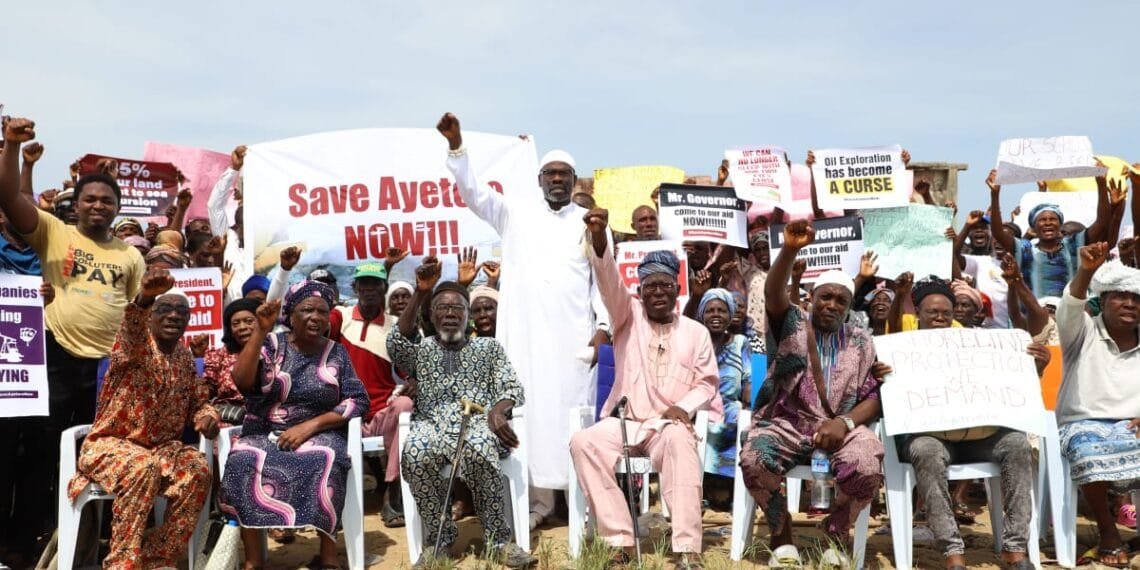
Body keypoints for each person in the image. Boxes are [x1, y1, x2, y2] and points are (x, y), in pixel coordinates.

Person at [437, 113, 608, 526]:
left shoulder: (590, 224)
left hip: (573, 339)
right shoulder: (514, 213)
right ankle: (538, 505)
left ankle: (582, 509)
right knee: (530, 420)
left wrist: (602, 327)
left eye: (564, 174)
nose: (556, 180)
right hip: (527, 340)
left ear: (574, 181)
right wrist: (457, 147)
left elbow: (602, 280)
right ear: (539, 180)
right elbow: (474, 194)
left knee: (572, 418)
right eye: (549, 173)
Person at [0, 117, 147, 560]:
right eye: (90, 199)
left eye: (107, 200)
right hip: (55, 359)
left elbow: (141, 313)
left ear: (116, 209)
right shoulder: (53, 232)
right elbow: (8, 195)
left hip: (108, 371)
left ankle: (82, 552)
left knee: (95, 461)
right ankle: (23, 549)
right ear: (77, 205)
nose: (98, 206)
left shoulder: (131, 255)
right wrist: (10, 146)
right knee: (40, 456)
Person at [571, 208, 721, 568]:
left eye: (665, 286)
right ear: (640, 291)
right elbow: (608, 278)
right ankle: (620, 540)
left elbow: (708, 382)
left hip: (667, 427)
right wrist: (600, 237)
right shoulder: (627, 315)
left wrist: (684, 407)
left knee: (682, 443)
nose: (658, 292)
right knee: (583, 442)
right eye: (650, 286)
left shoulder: (696, 332)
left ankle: (686, 550)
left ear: (677, 290)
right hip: (626, 420)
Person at [738, 220, 885, 565]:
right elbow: (773, 294)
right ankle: (781, 534)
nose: (832, 305)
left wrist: (845, 424)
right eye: (826, 297)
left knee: (866, 463)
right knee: (755, 458)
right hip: (786, 423)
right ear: (811, 299)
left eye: (841, 300)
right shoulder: (792, 323)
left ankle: (835, 534)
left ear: (849, 307)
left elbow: (874, 397)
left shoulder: (862, 340)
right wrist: (790, 248)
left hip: (840, 429)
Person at [389, 257, 535, 569]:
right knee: (414, 453)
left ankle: (499, 539)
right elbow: (397, 343)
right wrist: (420, 292)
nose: (451, 313)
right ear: (432, 314)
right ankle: (439, 539)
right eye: (443, 307)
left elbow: (512, 387)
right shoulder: (424, 349)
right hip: (431, 425)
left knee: (482, 448)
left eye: (459, 308)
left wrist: (498, 411)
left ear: (468, 315)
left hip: (478, 425)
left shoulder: (488, 349)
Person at [69, 267, 218, 568]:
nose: (174, 316)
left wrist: (208, 415)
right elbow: (130, 329)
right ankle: (122, 562)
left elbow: (198, 401)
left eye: (181, 312)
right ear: (150, 316)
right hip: (109, 446)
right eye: (164, 309)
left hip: (159, 450)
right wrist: (144, 297)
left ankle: (156, 557)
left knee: (198, 470)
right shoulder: (133, 348)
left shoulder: (185, 357)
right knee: (143, 468)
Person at [220, 280, 370, 570]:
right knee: (242, 460)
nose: (316, 317)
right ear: (291, 314)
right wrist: (260, 331)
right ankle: (253, 559)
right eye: (307, 310)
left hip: (320, 432)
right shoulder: (271, 345)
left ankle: (328, 555)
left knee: (325, 459)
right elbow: (241, 382)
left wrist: (310, 426)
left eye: (323, 312)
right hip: (265, 429)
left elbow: (357, 400)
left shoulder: (337, 353)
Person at [1055, 243, 1140, 567]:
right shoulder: (1082, 332)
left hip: (1131, 424)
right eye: (1120, 296)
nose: (1129, 303)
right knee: (1089, 449)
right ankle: (1108, 533)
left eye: (1136, 298)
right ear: (1103, 301)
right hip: (1083, 422)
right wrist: (1086, 270)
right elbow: (1070, 306)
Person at [327, 262, 414, 528]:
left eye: (375, 284)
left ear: (383, 288)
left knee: (405, 404)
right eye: (363, 284)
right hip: (345, 411)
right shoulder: (339, 317)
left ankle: (392, 491)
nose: (369, 290)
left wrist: (414, 381)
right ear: (354, 288)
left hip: (379, 412)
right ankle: (330, 506)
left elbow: (407, 369)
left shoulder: (395, 325)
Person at [989, 170, 1124, 298]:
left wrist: (1100, 183)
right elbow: (998, 233)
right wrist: (995, 195)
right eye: (1042, 220)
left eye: (1053, 219)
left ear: (1059, 225)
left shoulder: (1074, 245)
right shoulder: (1025, 249)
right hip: (1033, 319)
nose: (1048, 223)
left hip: (1071, 317)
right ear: (1034, 228)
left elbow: (1101, 222)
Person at [694, 289, 751, 481]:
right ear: (701, 315)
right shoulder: (694, 343)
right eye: (710, 311)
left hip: (730, 411)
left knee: (740, 419)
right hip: (698, 411)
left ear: (730, 315)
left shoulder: (742, 342)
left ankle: (727, 483)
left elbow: (750, 381)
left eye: (722, 310)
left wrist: (749, 406)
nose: (716, 315)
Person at [202, 298, 262, 427]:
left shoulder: (273, 350)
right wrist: (198, 356)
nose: (242, 327)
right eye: (236, 323)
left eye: (249, 321)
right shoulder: (220, 355)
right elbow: (204, 393)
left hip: (266, 418)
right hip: (228, 420)